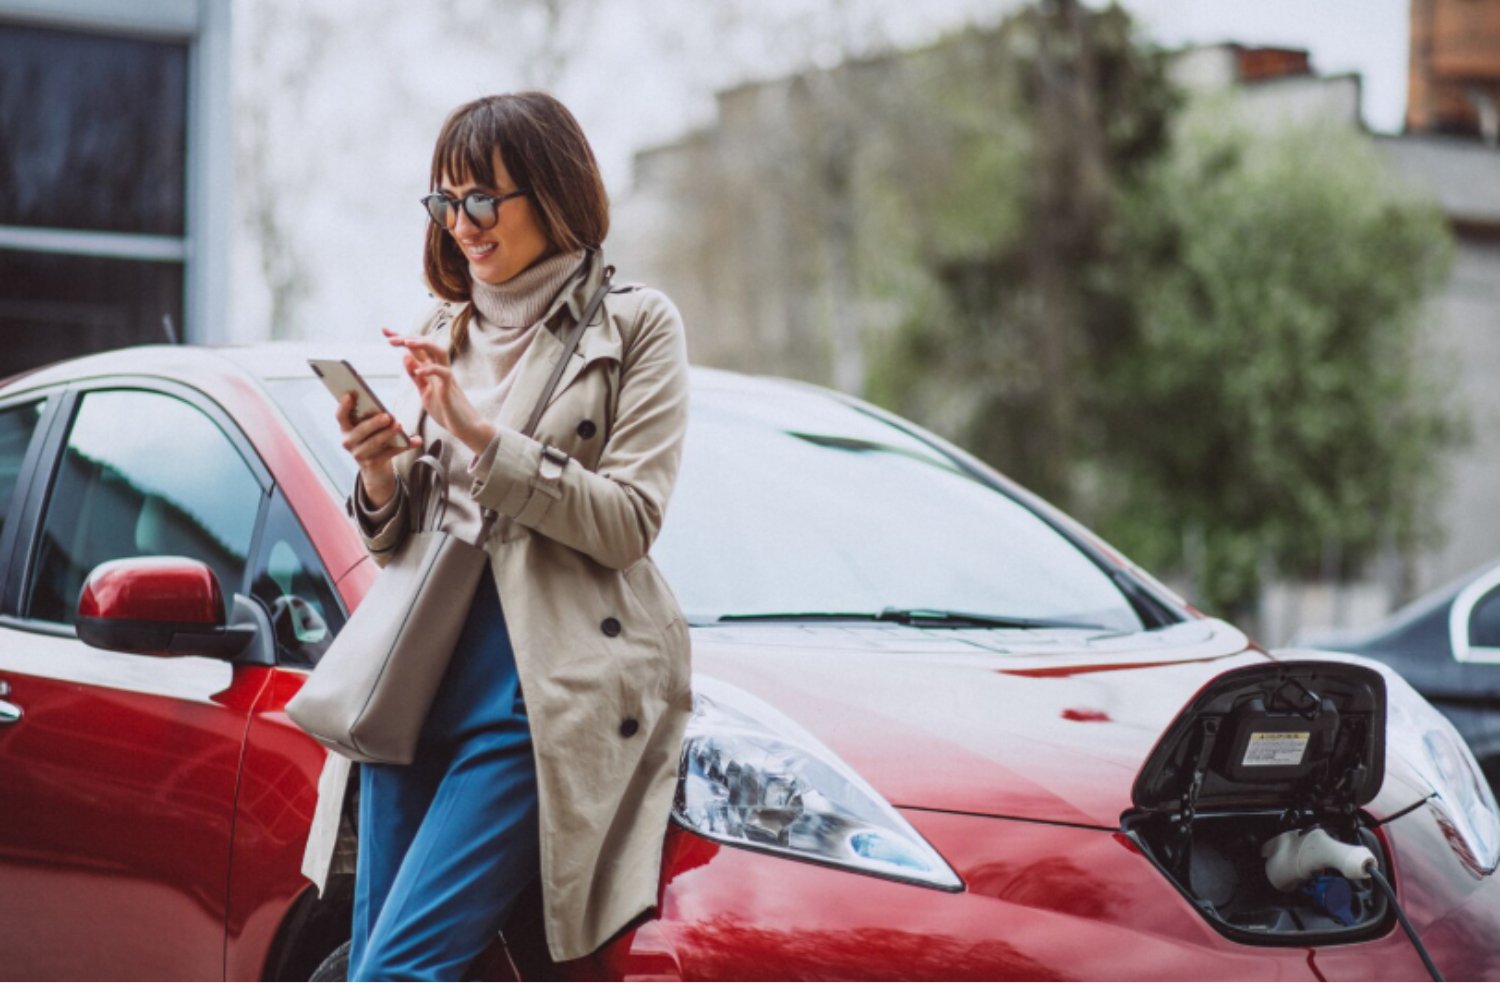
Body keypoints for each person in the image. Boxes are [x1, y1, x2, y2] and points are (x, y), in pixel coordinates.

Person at [306, 92, 693, 981]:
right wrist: (377, 469)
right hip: (412, 678)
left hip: (535, 688)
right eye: (446, 203)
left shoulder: (636, 324)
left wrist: (480, 433)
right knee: (373, 965)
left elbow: (630, 521)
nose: (463, 225)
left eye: (484, 200)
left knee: (395, 975)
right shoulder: (447, 329)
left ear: (553, 194)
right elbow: (405, 539)